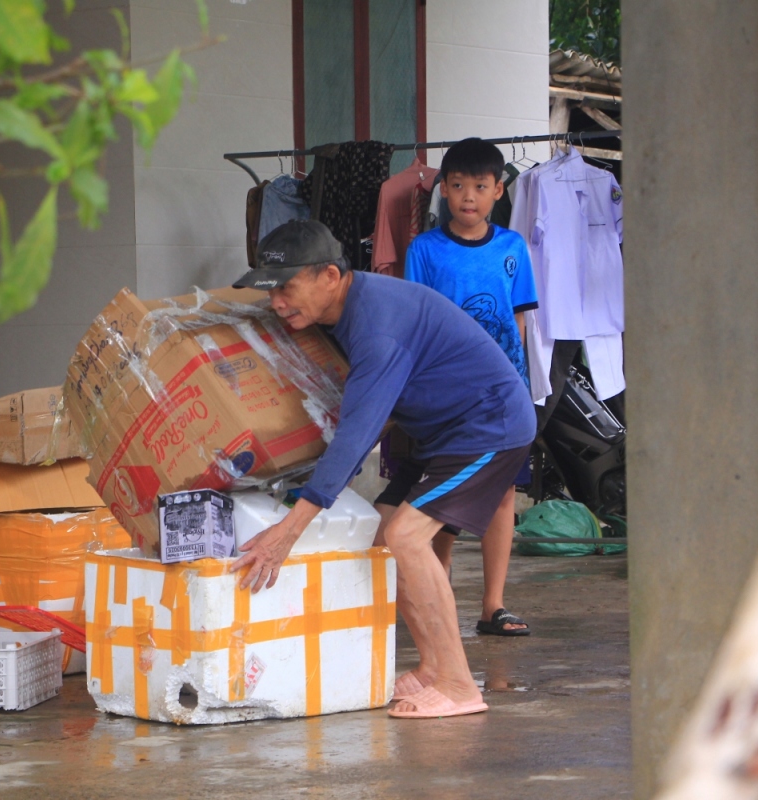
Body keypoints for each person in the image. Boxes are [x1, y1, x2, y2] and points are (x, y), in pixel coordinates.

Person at [228, 219, 536, 719]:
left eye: (285, 287)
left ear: (330, 275)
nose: (276, 303)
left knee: (407, 536)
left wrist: (288, 530)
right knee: (381, 538)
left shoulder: (376, 326)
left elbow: (357, 433)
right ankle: (434, 668)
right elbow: (365, 421)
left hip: (489, 427)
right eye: (270, 291)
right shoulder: (344, 310)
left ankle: (459, 685)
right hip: (439, 434)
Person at [400, 137, 538, 637]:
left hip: (503, 394)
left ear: (498, 190)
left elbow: (519, 321)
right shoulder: (425, 250)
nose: (468, 197)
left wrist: (519, 387)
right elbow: (415, 319)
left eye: (480, 187)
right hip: (445, 394)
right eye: (457, 187)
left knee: (501, 494)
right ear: (444, 191)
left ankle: (493, 605)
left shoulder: (512, 248)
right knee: (444, 494)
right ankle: (441, 601)